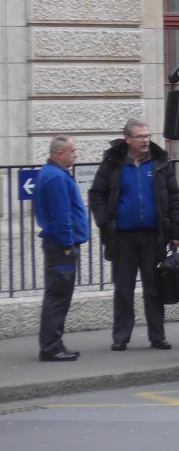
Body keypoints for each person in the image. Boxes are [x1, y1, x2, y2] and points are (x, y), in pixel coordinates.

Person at [88, 118, 179, 351]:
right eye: (140, 136)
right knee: (123, 289)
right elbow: (97, 194)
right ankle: (121, 337)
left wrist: (175, 232)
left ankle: (157, 336)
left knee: (154, 288)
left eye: (147, 136)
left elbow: (172, 198)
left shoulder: (159, 162)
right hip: (122, 238)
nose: (145, 140)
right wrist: (104, 222)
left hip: (153, 236)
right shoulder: (113, 163)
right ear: (128, 139)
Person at [33, 135, 89, 362]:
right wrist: (67, 244)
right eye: (72, 151)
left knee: (56, 296)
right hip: (61, 247)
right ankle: (51, 348)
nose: (75, 155)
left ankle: (53, 344)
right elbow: (62, 215)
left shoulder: (50, 173)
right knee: (58, 297)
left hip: (56, 245)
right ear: (59, 154)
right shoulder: (56, 177)